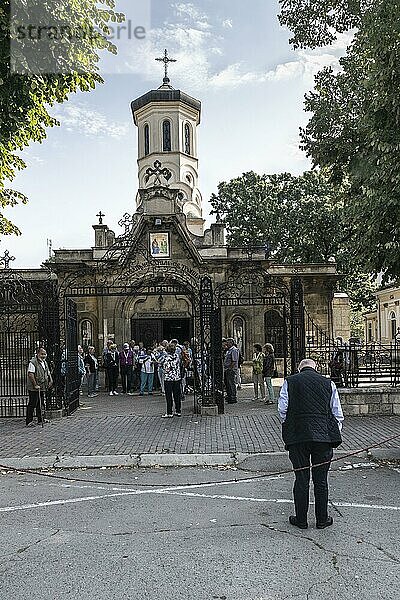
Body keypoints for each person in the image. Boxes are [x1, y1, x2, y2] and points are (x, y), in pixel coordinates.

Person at [278, 358, 344, 530]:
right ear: (315, 368)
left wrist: (291, 425)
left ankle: (301, 519)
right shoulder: (328, 383)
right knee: (320, 480)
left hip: (298, 436)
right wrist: (333, 430)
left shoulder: (290, 382)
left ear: (300, 369)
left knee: (301, 478)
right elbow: (337, 412)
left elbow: (282, 409)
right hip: (323, 438)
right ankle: (322, 519)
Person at [26, 347, 53, 427]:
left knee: (40, 404)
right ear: (37, 354)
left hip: (42, 386)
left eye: (44, 354)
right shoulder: (33, 362)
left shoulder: (44, 362)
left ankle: (40, 419)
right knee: (32, 404)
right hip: (34, 387)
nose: (43, 355)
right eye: (42, 354)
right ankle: (29, 421)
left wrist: (50, 380)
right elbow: (31, 374)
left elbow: (47, 372)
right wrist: (35, 385)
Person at [161, 343, 182, 418]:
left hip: (168, 379)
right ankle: (178, 411)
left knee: (169, 396)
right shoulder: (177, 356)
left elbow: (166, 369)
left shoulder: (166, 357)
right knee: (177, 395)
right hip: (176, 378)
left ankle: (169, 412)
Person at [223, 338, 239, 404]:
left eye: (228, 343)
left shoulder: (234, 350)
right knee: (228, 384)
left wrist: (230, 368)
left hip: (231, 370)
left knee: (231, 383)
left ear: (231, 343)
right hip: (227, 369)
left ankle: (233, 397)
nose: (227, 344)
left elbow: (234, 361)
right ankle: (229, 396)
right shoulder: (228, 350)